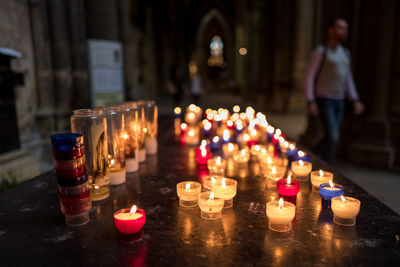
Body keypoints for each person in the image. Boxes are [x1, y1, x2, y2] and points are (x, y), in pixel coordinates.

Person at [304, 18, 365, 163]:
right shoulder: (321, 52)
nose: (344, 31)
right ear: (330, 30)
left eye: (346, 28)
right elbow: (309, 77)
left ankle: (312, 156)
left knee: (331, 135)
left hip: (340, 100)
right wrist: (310, 100)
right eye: (340, 28)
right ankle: (327, 164)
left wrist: (355, 99)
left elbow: (347, 78)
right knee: (333, 136)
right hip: (325, 98)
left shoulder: (345, 53)